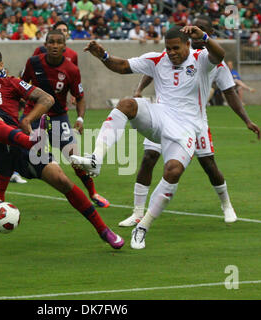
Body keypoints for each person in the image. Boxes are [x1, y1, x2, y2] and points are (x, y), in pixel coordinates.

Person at [0, 46, 124, 249]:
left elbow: (47, 99)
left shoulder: (12, 83)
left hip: (16, 149)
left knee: (62, 180)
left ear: (1, 65)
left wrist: (28, 119)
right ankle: (31, 142)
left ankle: (104, 230)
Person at [71, 26, 226, 249]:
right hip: (160, 115)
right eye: (168, 48)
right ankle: (96, 158)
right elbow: (123, 66)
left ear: (187, 45)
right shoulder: (157, 59)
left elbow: (219, 55)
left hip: (186, 128)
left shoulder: (200, 59)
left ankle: (143, 225)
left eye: (176, 48)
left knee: (173, 171)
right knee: (126, 105)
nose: (171, 52)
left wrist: (204, 37)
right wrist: (103, 56)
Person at [118, 16, 261, 228]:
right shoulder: (175, 54)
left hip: (195, 122)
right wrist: (139, 89)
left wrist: (247, 120)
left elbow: (229, 92)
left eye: (200, 29)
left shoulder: (212, 60)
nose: (193, 32)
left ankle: (226, 204)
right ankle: (137, 212)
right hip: (163, 116)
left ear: (208, 32)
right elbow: (153, 69)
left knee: (209, 165)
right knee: (148, 158)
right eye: (191, 28)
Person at [0, 30, 110, 208]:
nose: (54, 46)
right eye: (51, 42)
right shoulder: (33, 63)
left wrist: (80, 118)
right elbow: (20, 86)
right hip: (34, 115)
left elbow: (79, 97)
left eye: (58, 42)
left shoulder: (71, 69)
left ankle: (93, 193)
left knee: (74, 157)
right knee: (14, 151)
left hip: (59, 118)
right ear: (45, 44)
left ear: (64, 46)